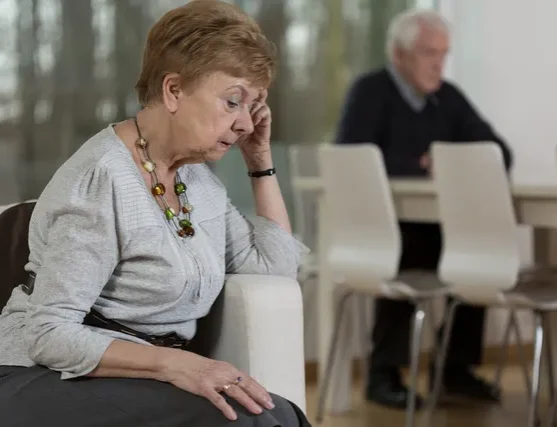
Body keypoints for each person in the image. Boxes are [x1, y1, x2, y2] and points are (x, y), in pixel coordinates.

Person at [0, 2, 311, 426]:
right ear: (173, 91)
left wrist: (260, 162)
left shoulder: (198, 180)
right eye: (233, 101)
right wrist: (178, 365)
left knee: (281, 414)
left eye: (252, 106)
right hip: (41, 375)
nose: (244, 124)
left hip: (136, 375)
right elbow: (49, 334)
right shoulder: (101, 180)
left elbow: (275, 268)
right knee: (248, 421)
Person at [335, 9, 513, 409]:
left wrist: (448, 161)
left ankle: (454, 369)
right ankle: (384, 372)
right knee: (412, 245)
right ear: (399, 54)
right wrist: (422, 162)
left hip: (440, 225)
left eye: (444, 54)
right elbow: (350, 156)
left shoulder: (446, 97)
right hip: (381, 227)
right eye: (429, 53)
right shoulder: (370, 91)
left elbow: (499, 152)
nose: (439, 63)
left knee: (478, 246)